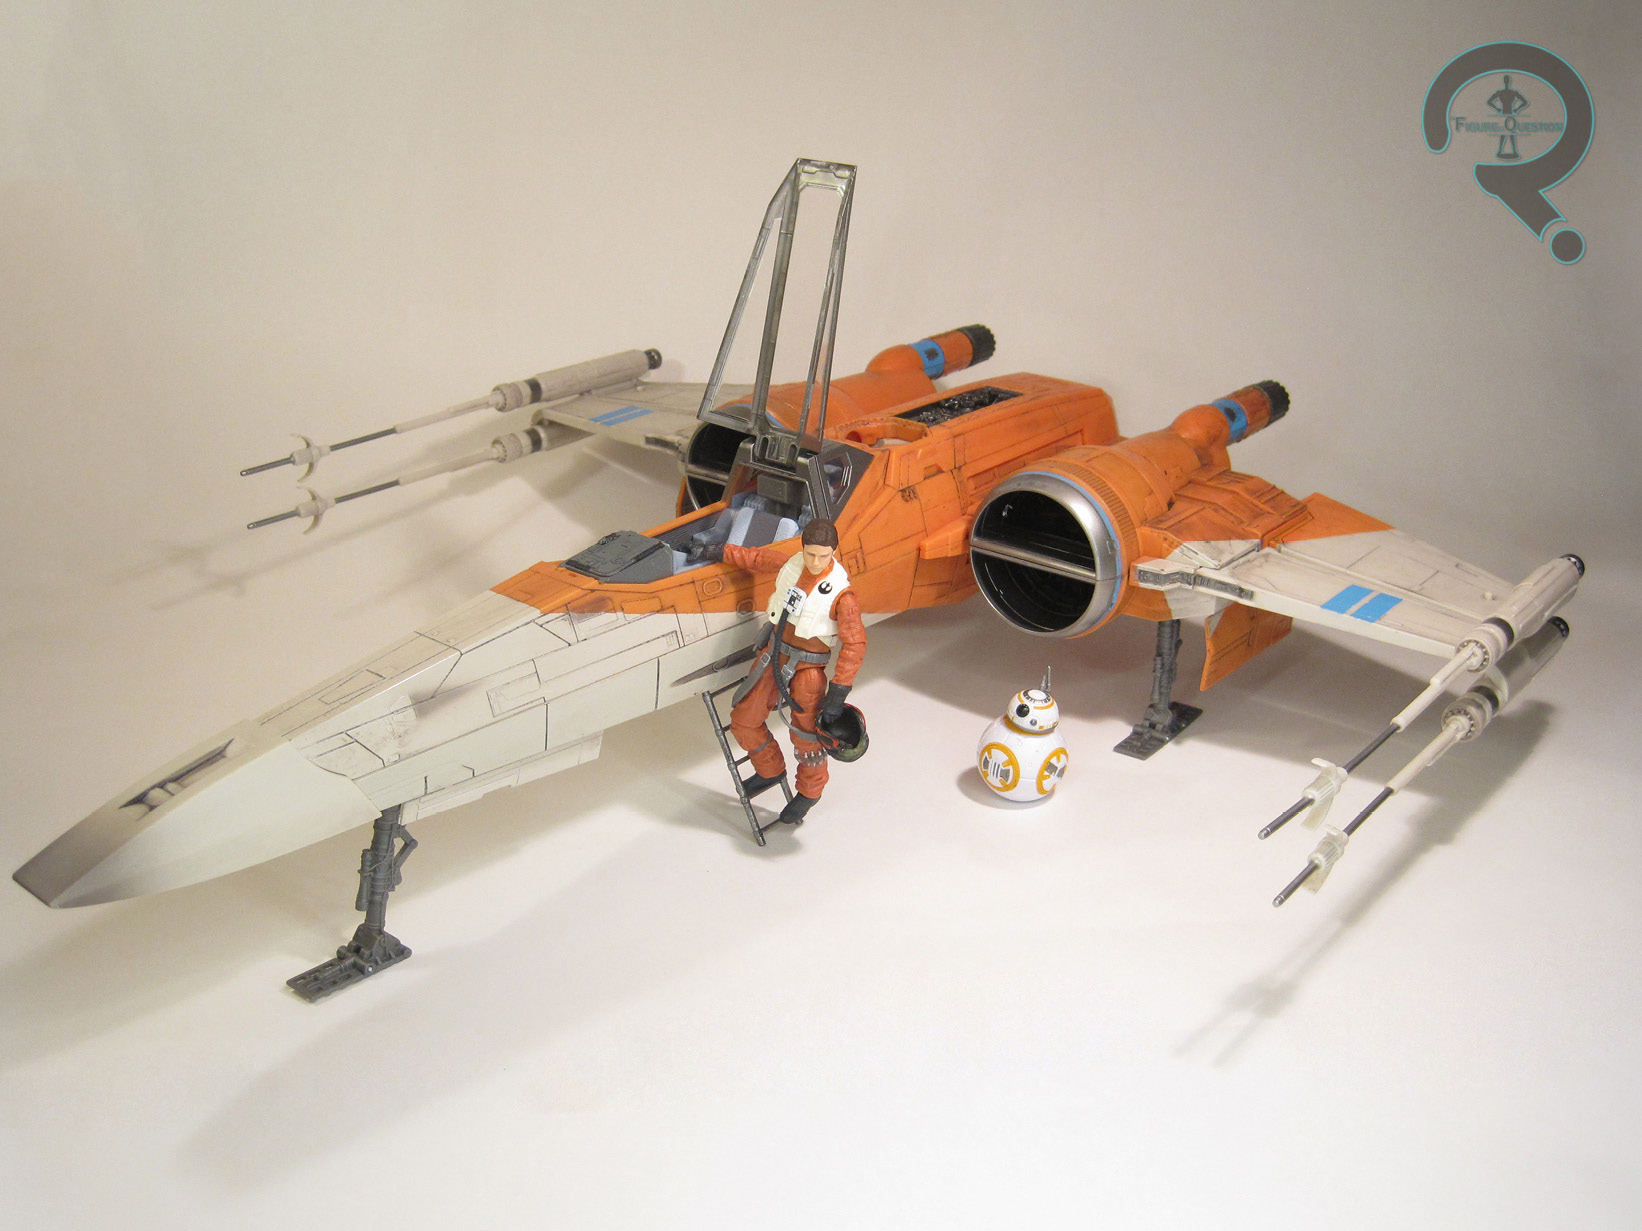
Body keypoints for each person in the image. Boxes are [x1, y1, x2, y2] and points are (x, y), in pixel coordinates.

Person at [715, 518, 866, 826]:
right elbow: (755, 558)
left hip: (808, 669)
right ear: (803, 548)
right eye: (810, 554)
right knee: (744, 720)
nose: (815, 562)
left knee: (808, 738)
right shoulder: (791, 566)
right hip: (774, 654)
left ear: (833, 552)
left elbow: (855, 643)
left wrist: (839, 690)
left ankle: (810, 791)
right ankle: (769, 770)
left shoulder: (842, 594)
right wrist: (717, 550)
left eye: (823, 556)